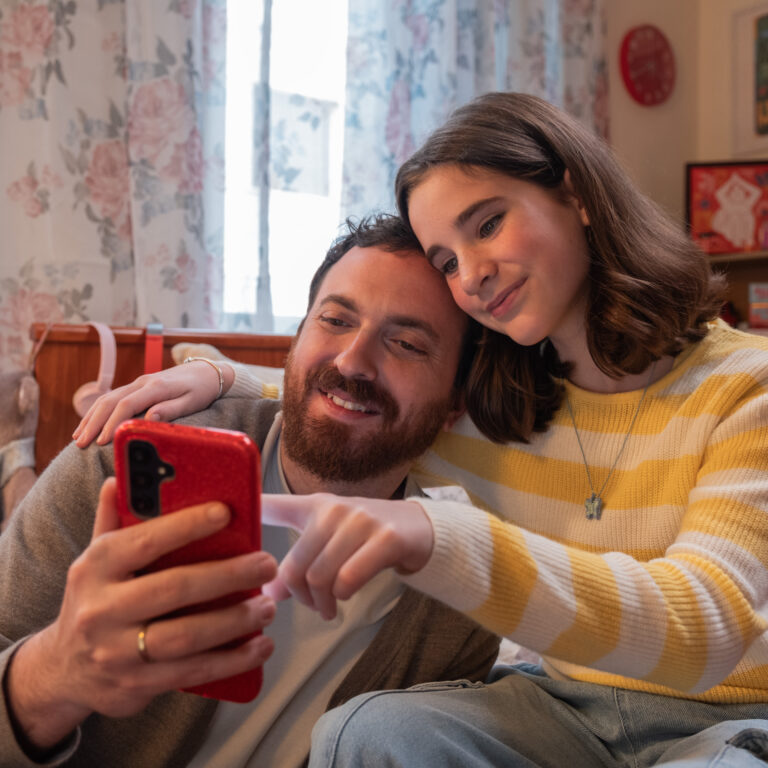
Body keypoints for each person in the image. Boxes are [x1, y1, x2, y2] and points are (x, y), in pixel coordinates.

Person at [79, 92, 768, 767]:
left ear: (576, 194)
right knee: (367, 731)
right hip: (565, 710)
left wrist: (441, 536)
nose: (473, 276)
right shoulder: (500, 415)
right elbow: (363, 389)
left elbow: (704, 629)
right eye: (447, 261)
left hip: (731, 720)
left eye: (488, 224)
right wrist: (221, 374)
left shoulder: (747, 386)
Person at [0, 214, 500, 768]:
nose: (352, 361)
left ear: (455, 403)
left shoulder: (464, 606)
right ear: (296, 339)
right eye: (334, 320)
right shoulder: (122, 458)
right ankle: (13, 455)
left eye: (406, 344)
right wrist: (54, 673)